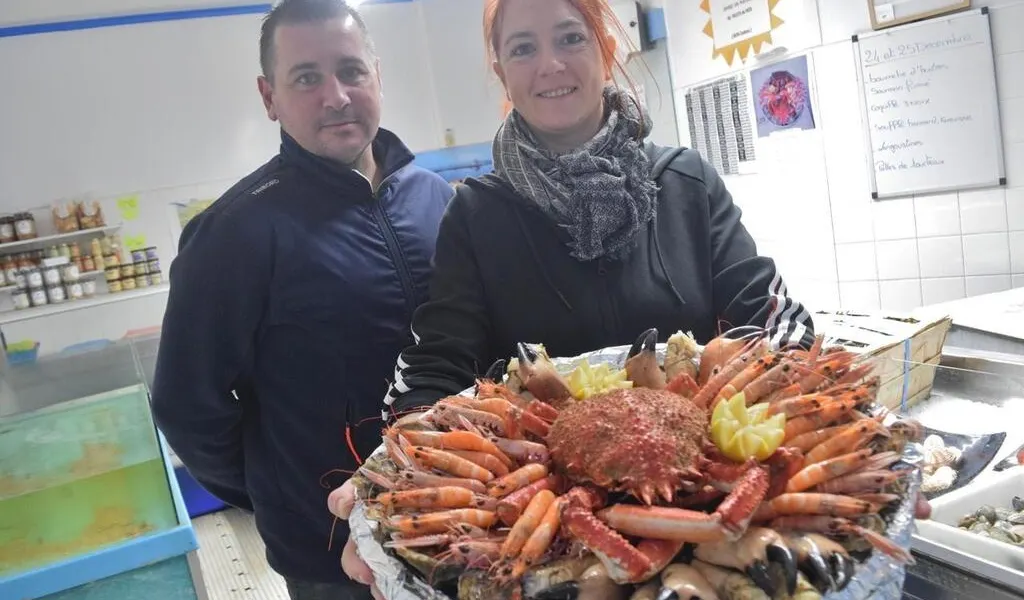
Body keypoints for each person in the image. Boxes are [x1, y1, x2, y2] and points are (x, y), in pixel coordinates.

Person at [331, 0, 932, 587]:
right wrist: (395, 470)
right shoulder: (475, 213)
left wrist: (847, 439)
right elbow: (437, 362)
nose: (550, 64)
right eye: (523, 48)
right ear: (502, 72)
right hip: (551, 507)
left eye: (571, 38)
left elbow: (772, 326)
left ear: (606, 48)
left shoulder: (685, 181)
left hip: (707, 485)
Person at [150, 1, 452, 598]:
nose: (335, 96)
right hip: (333, 556)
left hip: (462, 525)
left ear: (377, 75)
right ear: (269, 98)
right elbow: (189, 405)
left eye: (351, 70)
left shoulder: (438, 201)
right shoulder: (234, 234)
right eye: (307, 78)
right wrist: (281, 493)